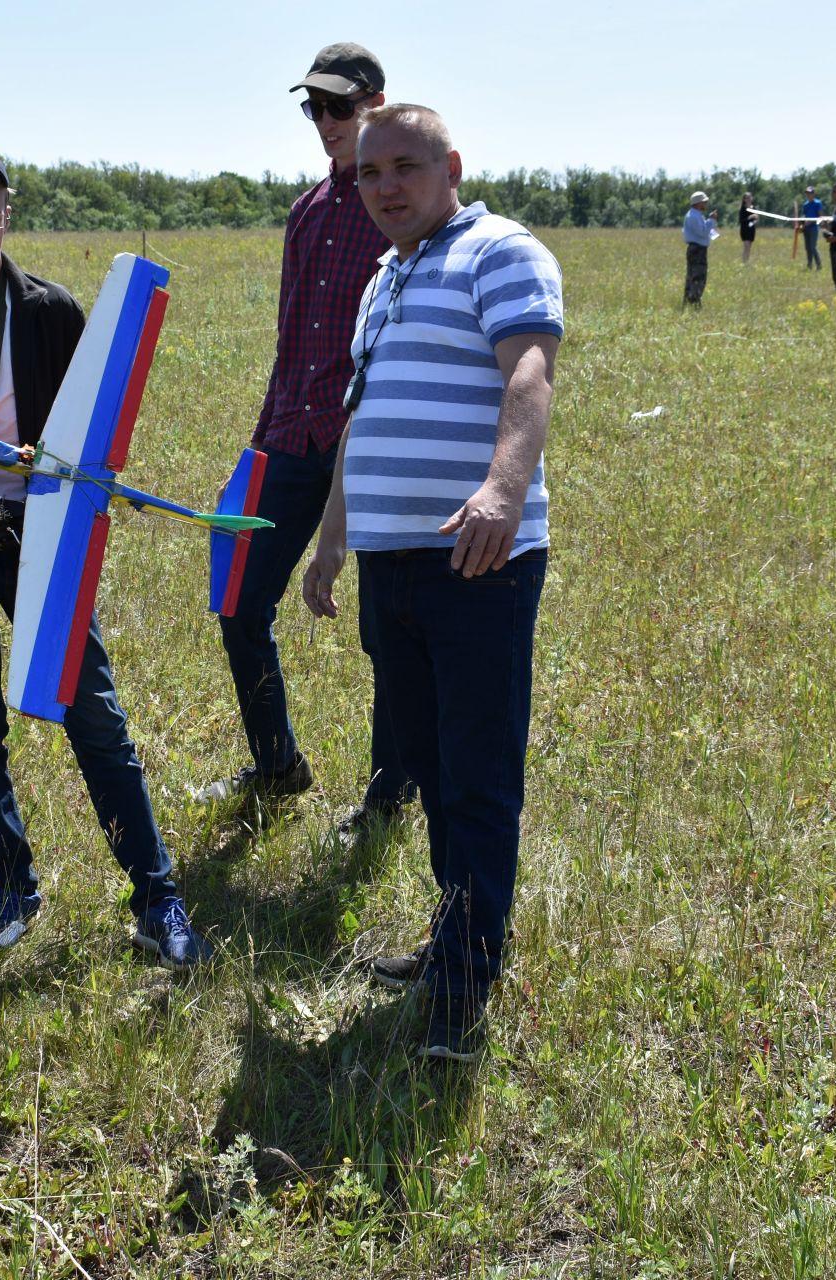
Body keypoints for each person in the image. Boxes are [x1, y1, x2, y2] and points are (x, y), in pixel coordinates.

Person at [0, 145, 214, 968]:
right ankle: (13, 888)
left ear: (8, 217)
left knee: (96, 716)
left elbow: (94, 434)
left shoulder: (54, 313)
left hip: (42, 544)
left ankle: (156, 898)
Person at [301, 104, 561, 1064]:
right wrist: (332, 536)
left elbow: (529, 372)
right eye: (370, 175)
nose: (386, 188)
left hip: (477, 556)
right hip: (391, 562)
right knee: (430, 764)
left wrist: (503, 487)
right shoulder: (383, 276)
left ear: (451, 165)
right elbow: (359, 417)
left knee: (479, 772)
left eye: (406, 168)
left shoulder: (501, 250)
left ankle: (465, 988)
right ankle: (456, 938)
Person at [196, 42, 416, 845]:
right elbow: (291, 342)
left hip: (374, 441)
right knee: (240, 599)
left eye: (339, 106)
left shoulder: (402, 209)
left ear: (377, 104)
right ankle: (277, 762)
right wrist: (260, 447)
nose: (325, 122)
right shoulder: (307, 211)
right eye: (312, 108)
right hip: (294, 439)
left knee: (388, 625)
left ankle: (390, 796)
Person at [682, 191, 716, 306]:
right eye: (704, 202)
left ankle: (689, 300)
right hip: (698, 250)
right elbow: (702, 232)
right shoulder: (694, 216)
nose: (706, 204)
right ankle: (694, 301)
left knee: (692, 276)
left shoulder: (695, 215)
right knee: (698, 276)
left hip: (696, 249)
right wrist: (711, 220)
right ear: (698, 203)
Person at [800, 186, 824, 269]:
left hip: (814, 228)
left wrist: (811, 221)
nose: (808, 195)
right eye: (807, 193)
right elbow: (804, 216)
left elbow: (820, 217)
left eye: (810, 193)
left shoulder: (818, 203)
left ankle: (819, 265)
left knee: (813, 247)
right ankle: (809, 264)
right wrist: (802, 225)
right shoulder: (805, 205)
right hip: (806, 228)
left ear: (813, 194)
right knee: (807, 248)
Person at [738, 192, 757, 265]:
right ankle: (744, 262)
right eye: (747, 198)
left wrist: (755, 220)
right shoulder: (743, 209)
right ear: (744, 199)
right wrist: (750, 217)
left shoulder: (753, 208)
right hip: (745, 229)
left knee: (749, 247)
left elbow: (756, 218)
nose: (749, 199)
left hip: (751, 229)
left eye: (750, 197)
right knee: (746, 246)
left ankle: (747, 262)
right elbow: (741, 220)